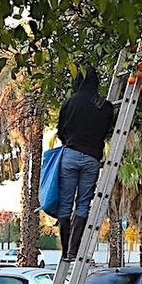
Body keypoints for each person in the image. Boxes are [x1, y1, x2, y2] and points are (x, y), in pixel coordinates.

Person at [54, 67, 116, 257]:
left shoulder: (69, 102)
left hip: (70, 155)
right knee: (83, 205)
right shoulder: (105, 106)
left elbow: (60, 130)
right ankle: (74, 250)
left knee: (65, 204)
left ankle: (66, 251)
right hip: (92, 158)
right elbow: (108, 131)